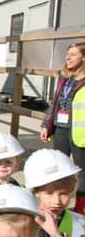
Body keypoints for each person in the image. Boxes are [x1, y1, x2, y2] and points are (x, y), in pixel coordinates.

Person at [41, 43, 85, 213]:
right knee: (59, 168)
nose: (68, 58)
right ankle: (55, 204)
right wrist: (47, 125)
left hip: (80, 132)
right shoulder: (64, 78)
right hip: (60, 128)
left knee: (81, 172)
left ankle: (80, 210)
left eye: (73, 54)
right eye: (67, 54)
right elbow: (55, 103)